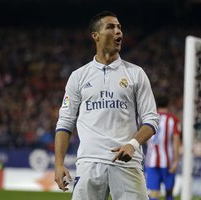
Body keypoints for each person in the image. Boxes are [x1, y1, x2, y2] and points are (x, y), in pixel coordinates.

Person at [54, 11, 159, 200]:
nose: (118, 32)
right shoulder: (79, 76)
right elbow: (65, 122)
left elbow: (151, 119)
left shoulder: (136, 74)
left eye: (119, 28)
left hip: (128, 163)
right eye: (111, 27)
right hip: (89, 164)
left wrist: (133, 145)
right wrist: (59, 164)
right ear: (96, 35)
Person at [145, 95, 181, 200]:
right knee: (169, 193)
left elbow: (147, 139)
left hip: (151, 161)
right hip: (168, 162)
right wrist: (176, 160)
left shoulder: (150, 118)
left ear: (156, 104)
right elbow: (176, 141)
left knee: (154, 193)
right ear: (168, 104)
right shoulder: (173, 119)